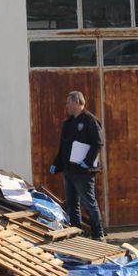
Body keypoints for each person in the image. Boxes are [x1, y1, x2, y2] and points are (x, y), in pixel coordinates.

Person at [49, 91, 105, 241]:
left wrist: (87, 161)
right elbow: (64, 147)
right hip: (69, 170)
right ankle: (76, 234)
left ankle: (98, 234)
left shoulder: (90, 121)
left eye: (68, 103)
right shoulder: (68, 124)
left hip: (83, 172)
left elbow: (97, 143)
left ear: (76, 102)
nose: (66, 106)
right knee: (72, 204)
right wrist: (56, 164)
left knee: (89, 202)